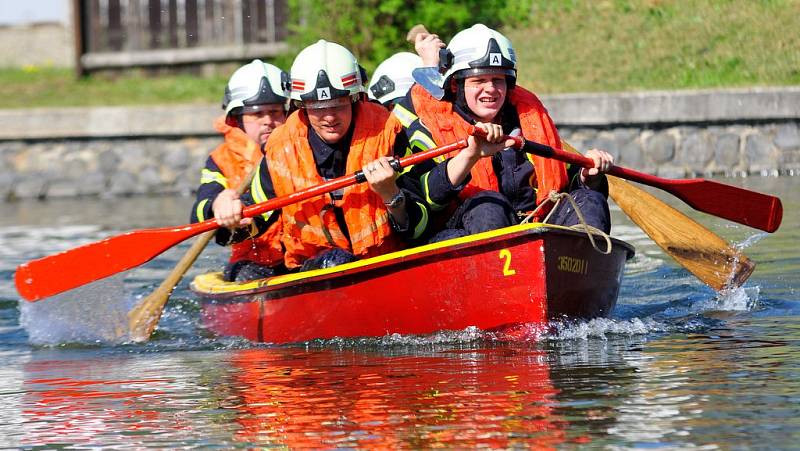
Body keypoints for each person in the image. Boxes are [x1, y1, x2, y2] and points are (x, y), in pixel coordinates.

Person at [223, 40, 432, 272]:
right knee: (335, 261)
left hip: (387, 265)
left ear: (354, 99)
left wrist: (392, 195)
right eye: (318, 107)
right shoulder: (281, 148)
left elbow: (421, 229)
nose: (330, 117)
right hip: (313, 271)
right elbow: (253, 223)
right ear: (301, 106)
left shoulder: (392, 134)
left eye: (338, 104)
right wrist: (232, 217)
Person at [393, 24, 614, 241]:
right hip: (462, 232)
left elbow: (564, 184)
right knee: (488, 206)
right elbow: (422, 197)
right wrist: (470, 155)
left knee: (589, 200)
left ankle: (579, 271)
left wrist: (587, 178)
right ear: (455, 86)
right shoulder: (433, 124)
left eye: (498, 80)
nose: (490, 89)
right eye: (478, 80)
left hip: (534, 231)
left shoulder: (528, 120)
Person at [190, 59, 290, 281]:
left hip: (305, 254)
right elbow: (198, 214)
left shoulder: (305, 147)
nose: (268, 121)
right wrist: (218, 205)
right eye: (257, 114)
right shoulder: (220, 160)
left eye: (275, 112)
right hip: (254, 262)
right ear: (238, 119)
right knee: (247, 274)